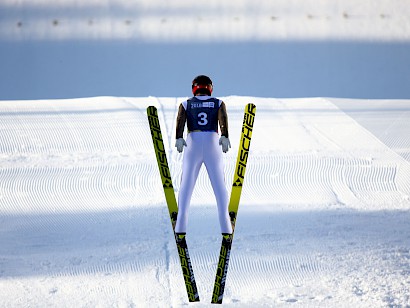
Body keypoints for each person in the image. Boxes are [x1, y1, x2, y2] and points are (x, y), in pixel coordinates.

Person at [174, 75, 233, 238]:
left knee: (186, 185)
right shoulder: (218, 102)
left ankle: (180, 226)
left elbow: (181, 120)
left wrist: (178, 137)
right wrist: (225, 135)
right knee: (219, 186)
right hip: (212, 141)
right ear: (210, 87)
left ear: (194, 88)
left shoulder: (186, 103)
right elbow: (223, 118)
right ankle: (226, 226)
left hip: (192, 141)